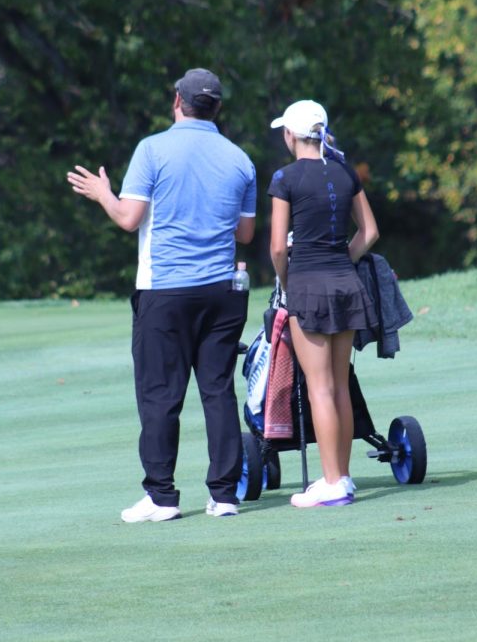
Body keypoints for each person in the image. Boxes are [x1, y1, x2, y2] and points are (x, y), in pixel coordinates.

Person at [67, 68, 257, 522]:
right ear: (218, 109)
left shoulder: (152, 149)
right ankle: (225, 495)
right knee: (217, 391)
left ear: (177, 101)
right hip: (222, 291)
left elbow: (129, 218)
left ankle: (161, 497)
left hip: (165, 291)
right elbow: (246, 232)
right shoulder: (240, 159)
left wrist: (102, 193)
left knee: (160, 396)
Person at [268, 99, 379, 507]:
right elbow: (368, 232)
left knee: (319, 390)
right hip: (346, 285)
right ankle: (342, 477)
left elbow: (279, 248)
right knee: (339, 386)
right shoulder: (346, 173)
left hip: (308, 288)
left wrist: (287, 281)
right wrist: (342, 262)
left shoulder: (285, 178)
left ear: (289, 135)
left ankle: (332, 483)